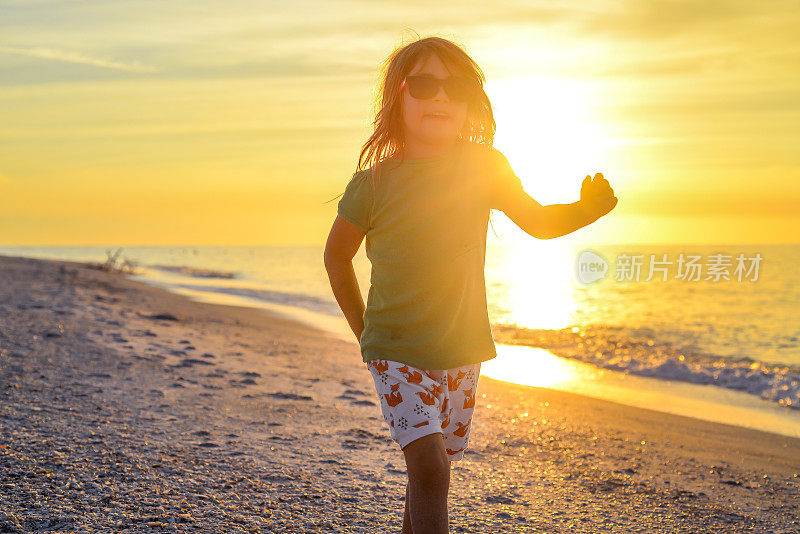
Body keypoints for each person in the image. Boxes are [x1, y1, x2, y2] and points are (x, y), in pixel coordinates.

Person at [324, 35, 617, 534]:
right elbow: (336, 256)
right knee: (431, 468)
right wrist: (365, 336)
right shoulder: (374, 183)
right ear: (398, 94)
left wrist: (586, 210)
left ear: (469, 102)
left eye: (454, 87)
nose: (440, 97)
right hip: (396, 348)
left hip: (463, 348)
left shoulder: (484, 166)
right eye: (424, 84)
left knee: (436, 466)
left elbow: (538, 222)